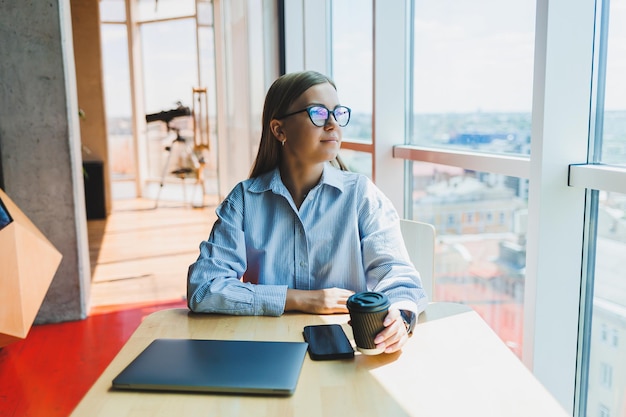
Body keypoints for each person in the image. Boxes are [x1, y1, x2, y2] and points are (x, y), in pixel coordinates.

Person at [187, 70, 427, 353]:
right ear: (279, 130)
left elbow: (400, 277)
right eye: (318, 113)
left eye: (337, 113)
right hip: (269, 350)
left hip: (346, 352)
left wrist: (401, 316)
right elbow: (204, 288)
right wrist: (302, 299)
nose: (333, 124)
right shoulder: (244, 200)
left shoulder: (361, 195)